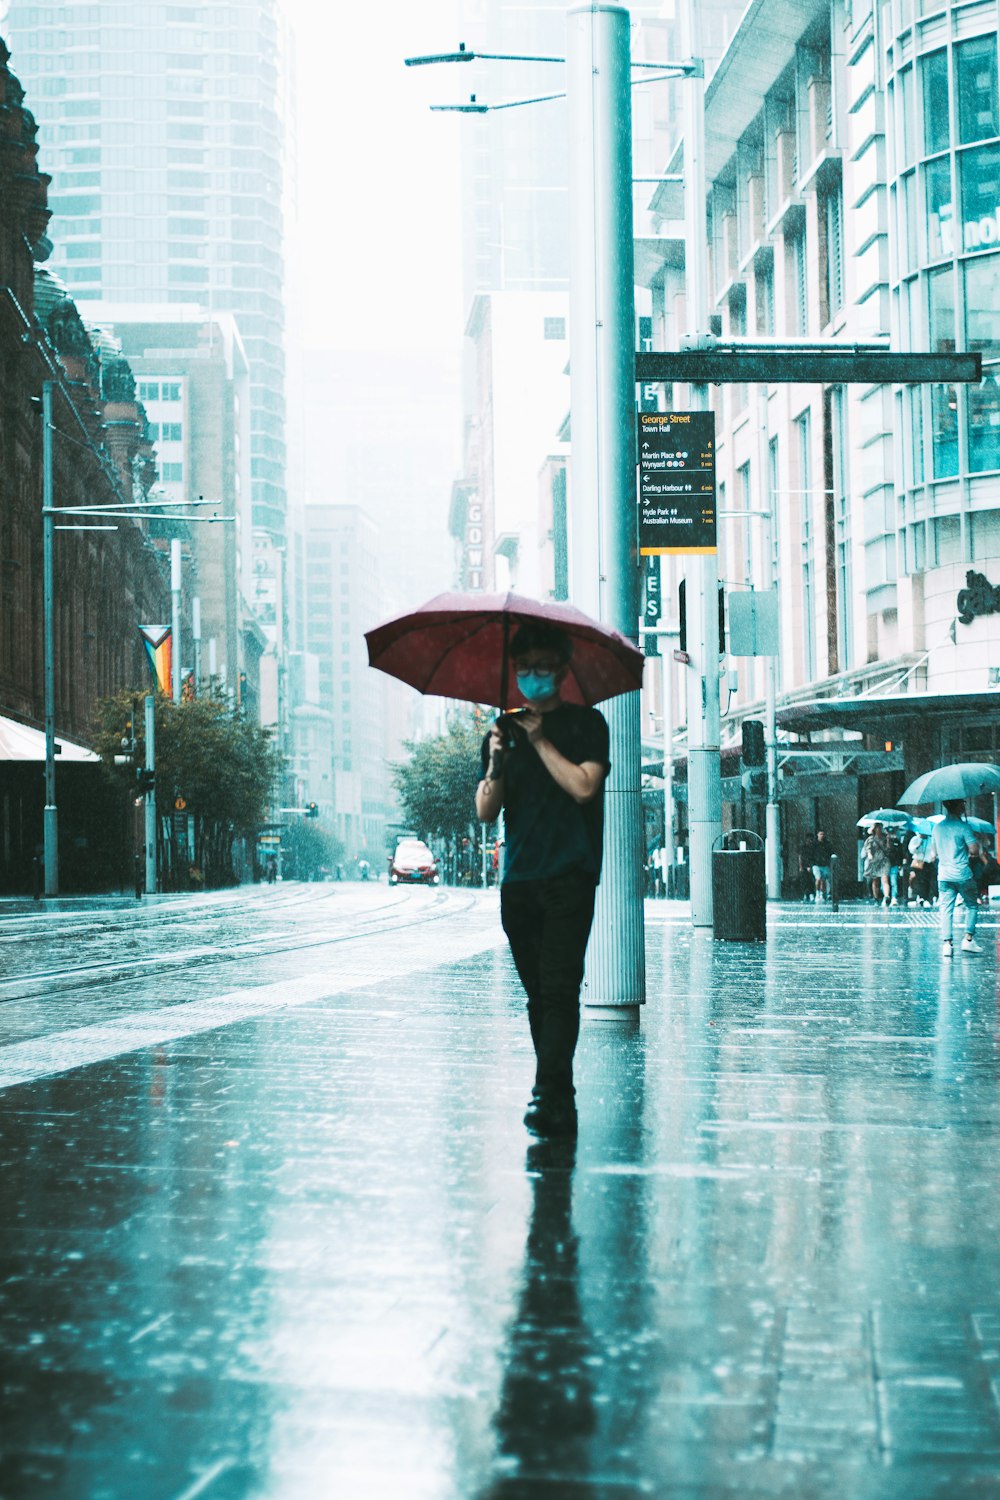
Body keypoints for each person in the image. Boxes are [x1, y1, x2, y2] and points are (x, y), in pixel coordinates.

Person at [475, 622, 610, 1139]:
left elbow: (582, 787)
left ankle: (549, 1093)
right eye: (523, 668)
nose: (532, 678)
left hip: (570, 876)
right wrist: (497, 761)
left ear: (561, 668)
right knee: (539, 995)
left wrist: (540, 740)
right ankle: (558, 1091)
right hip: (520, 881)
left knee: (558, 988)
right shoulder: (502, 731)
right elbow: (486, 810)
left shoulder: (586, 725)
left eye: (542, 668)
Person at [932, 800, 983, 957]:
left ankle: (947, 944)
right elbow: (975, 851)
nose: (964, 807)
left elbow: (934, 855)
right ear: (958, 807)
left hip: (944, 875)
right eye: (962, 805)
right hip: (962, 874)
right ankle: (968, 940)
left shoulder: (937, 828)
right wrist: (972, 841)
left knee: (946, 909)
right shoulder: (963, 827)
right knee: (972, 905)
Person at [802, 829, 834, 902]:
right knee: (818, 878)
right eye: (820, 834)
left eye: (823, 834)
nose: (822, 836)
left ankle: (821, 894)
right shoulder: (814, 845)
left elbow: (830, 853)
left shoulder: (827, 845)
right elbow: (810, 855)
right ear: (817, 835)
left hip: (824, 864)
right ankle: (817, 894)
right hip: (816, 864)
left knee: (823, 880)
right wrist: (809, 865)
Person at [862, 823, 890, 905]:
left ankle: (886, 896)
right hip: (874, 861)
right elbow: (867, 848)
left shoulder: (885, 838)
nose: (879, 829)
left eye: (880, 827)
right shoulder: (871, 839)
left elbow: (888, 850)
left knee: (885, 878)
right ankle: (876, 898)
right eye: (878, 828)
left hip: (884, 860)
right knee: (875, 880)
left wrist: (888, 840)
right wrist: (870, 854)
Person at [885, 829, 905, 906]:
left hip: (894, 864)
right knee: (885, 882)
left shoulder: (896, 841)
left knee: (893, 882)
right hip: (885, 865)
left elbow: (900, 853)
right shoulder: (883, 842)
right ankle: (887, 897)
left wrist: (900, 863)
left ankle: (893, 898)